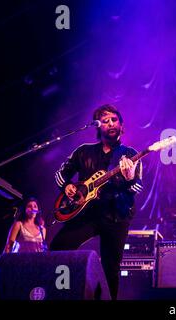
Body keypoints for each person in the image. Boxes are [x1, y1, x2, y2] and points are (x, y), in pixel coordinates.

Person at [50, 104, 143, 300]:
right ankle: (62, 292)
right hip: (86, 213)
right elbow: (60, 174)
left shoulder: (130, 154)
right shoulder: (83, 152)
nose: (110, 123)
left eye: (114, 120)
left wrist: (129, 178)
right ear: (98, 126)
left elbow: (137, 187)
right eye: (105, 120)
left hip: (116, 215)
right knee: (58, 247)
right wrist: (66, 186)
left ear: (121, 125)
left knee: (111, 267)